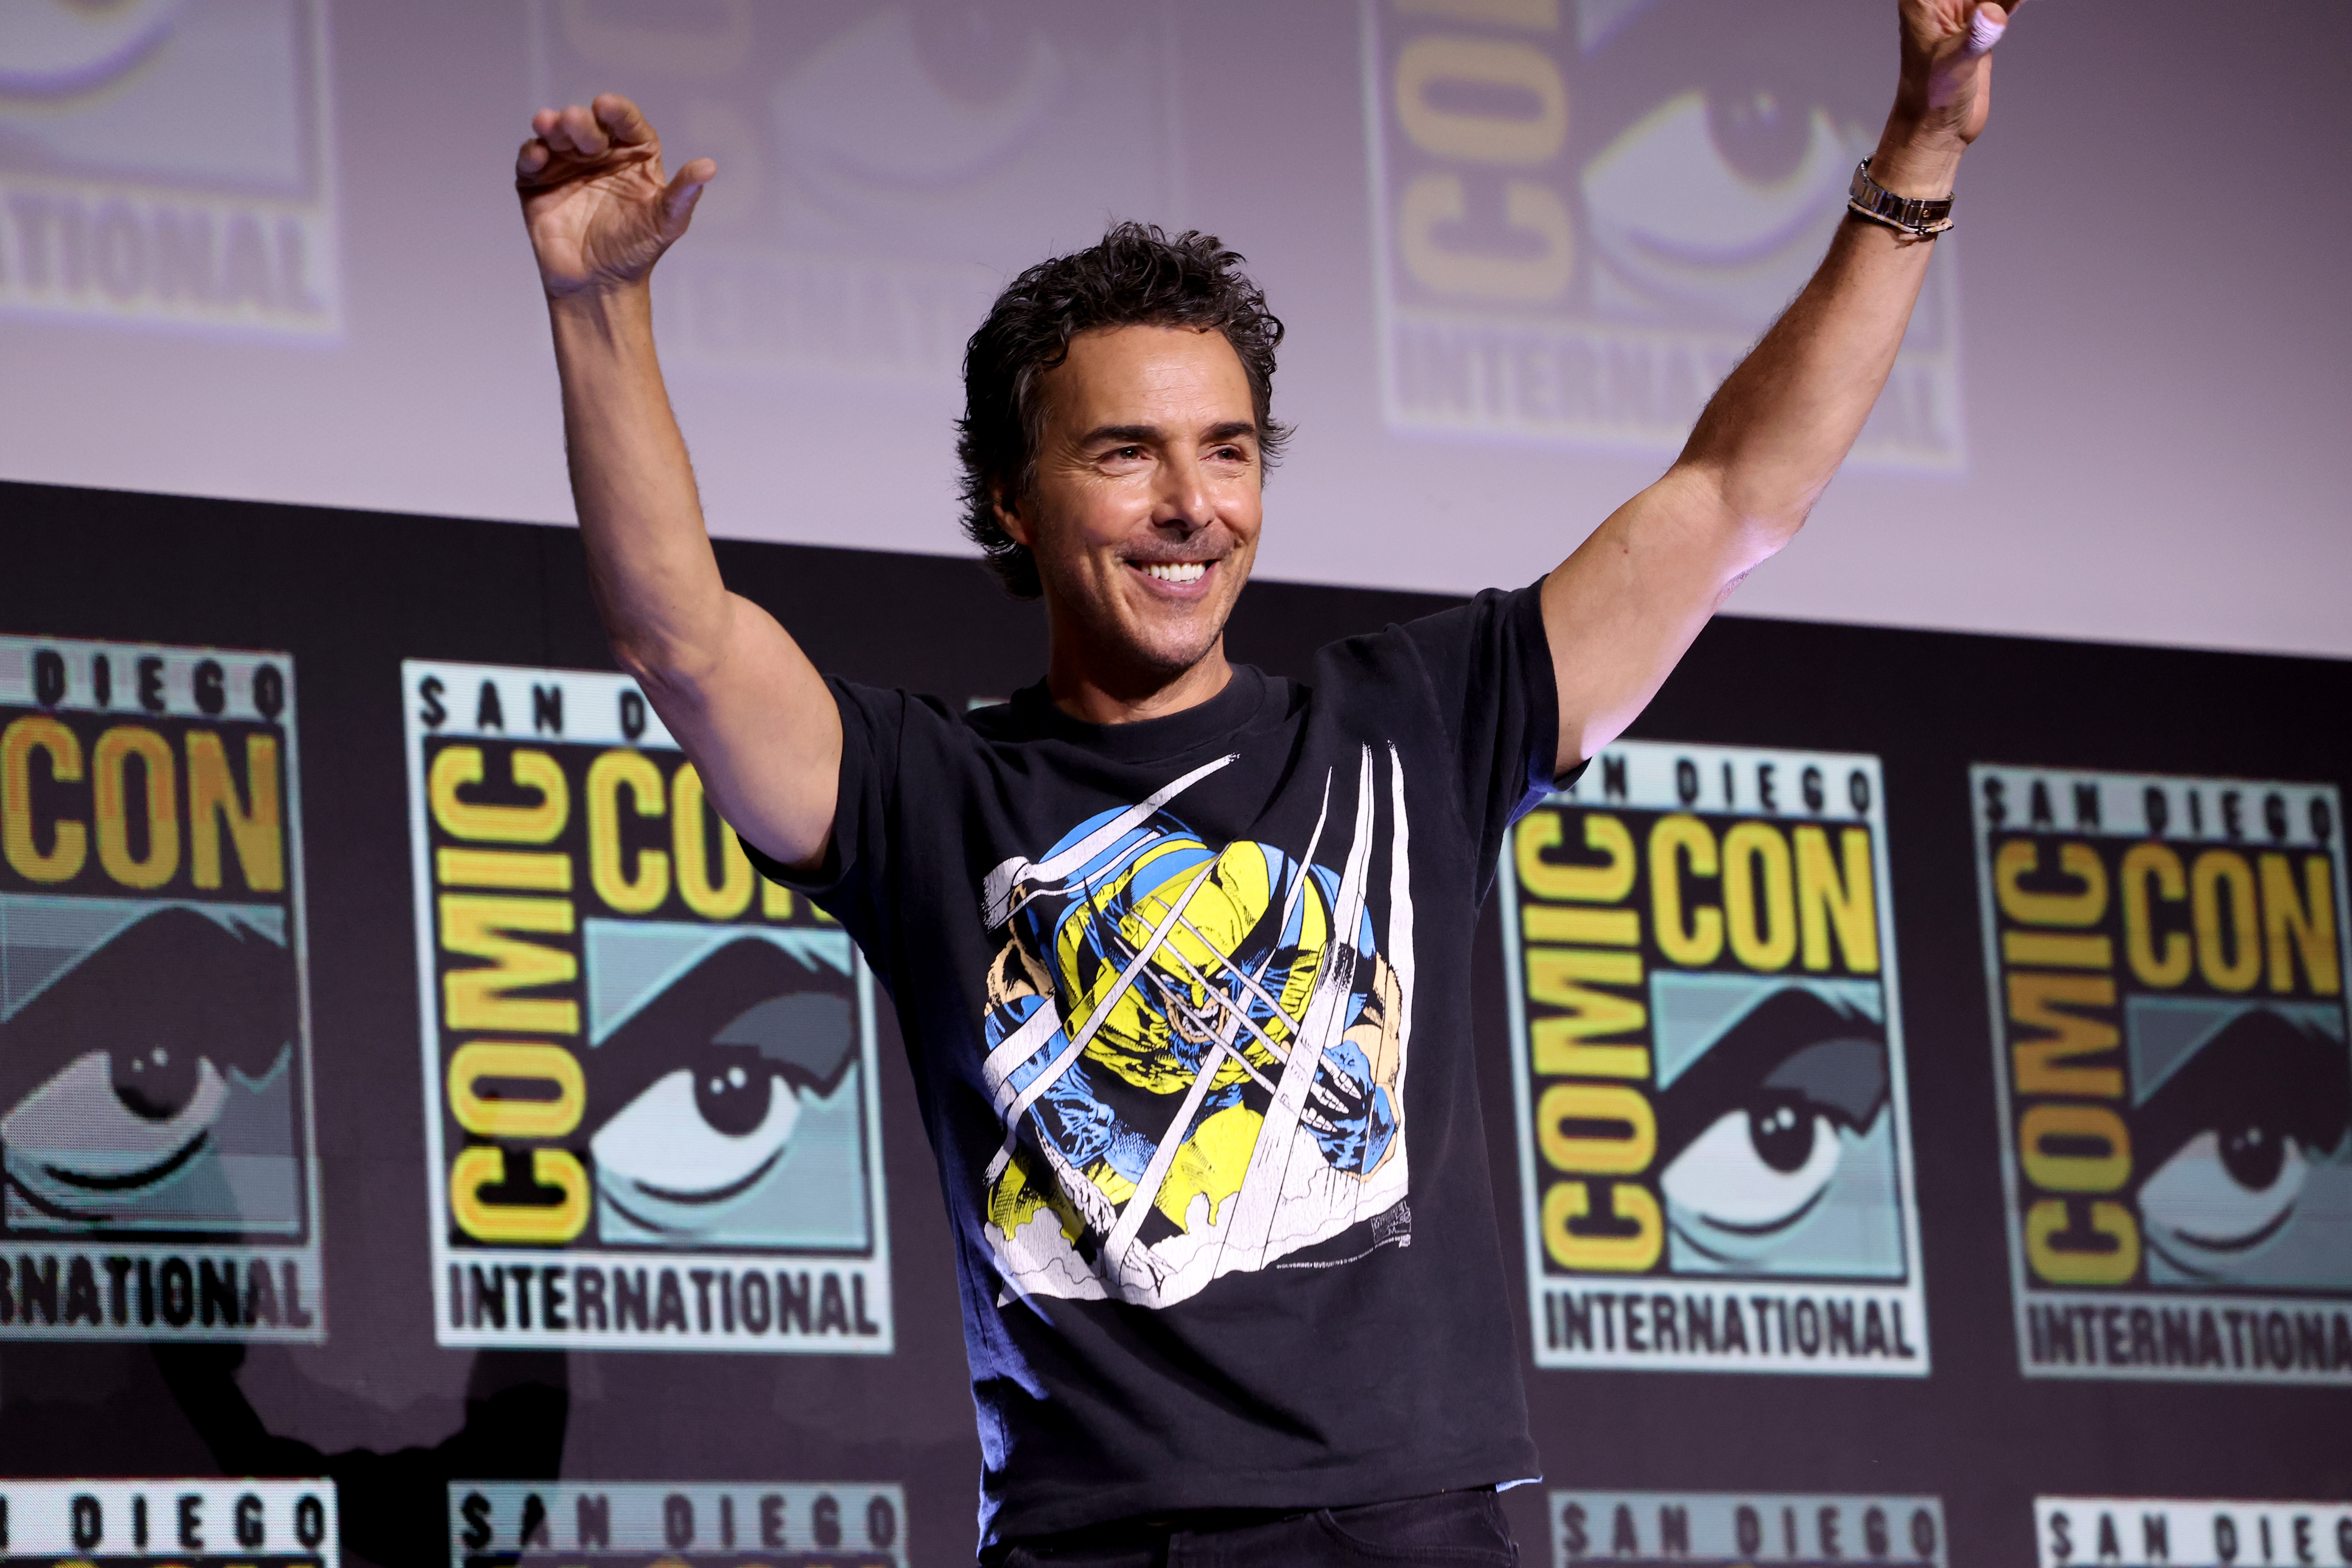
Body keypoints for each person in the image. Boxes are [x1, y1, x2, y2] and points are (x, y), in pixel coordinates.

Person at [514, 3, 2017, 1560]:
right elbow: (680, 639)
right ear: (1010, 501)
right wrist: (596, 303)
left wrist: (1921, 142)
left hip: (1418, 1527)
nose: (1191, 508)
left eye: (1227, 452)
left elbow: (1731, 498)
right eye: (1124, 456)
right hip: (1113, 1540)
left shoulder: (1417, 720)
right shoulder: (926, 793)